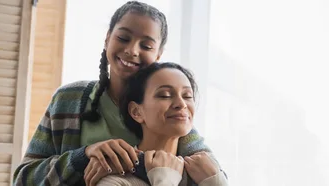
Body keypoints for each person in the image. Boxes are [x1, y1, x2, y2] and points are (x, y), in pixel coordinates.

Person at [12, 2, 221, 185]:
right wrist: (82, 157)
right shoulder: (69, 99)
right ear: (107, 38)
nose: (132, 50)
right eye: (123, 37)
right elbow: (23, 179)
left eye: (146, 45)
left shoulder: (168, 111)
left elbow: (212, 175)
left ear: (158, 54)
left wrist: (125, 167)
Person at [94, 62, 227, 186]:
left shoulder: (206, 172)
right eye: (165, 95)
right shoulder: (115, 180)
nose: (181, 104)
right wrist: (164, 180)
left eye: (187, 96)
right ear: (136, 112)